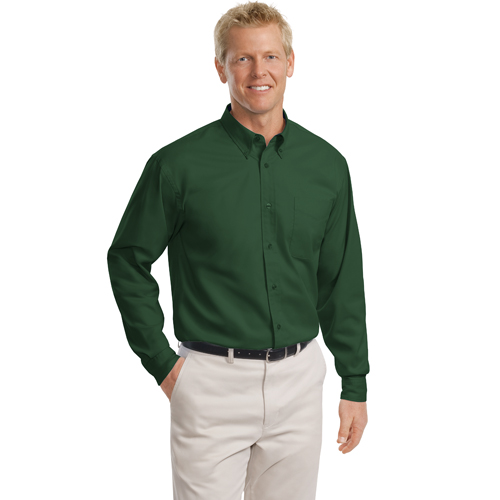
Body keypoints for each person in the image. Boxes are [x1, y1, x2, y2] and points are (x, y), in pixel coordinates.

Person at [107, 1, 370, 498]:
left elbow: (340, 280)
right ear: (220, 67)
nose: (258, 71)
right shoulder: (177, 166)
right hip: (210, 384)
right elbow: (127, 259)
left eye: (270, 57)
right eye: (242, 58)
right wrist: (162, 363)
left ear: (290, 63)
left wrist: (353, 381)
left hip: (299, 383)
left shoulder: (327, 166)